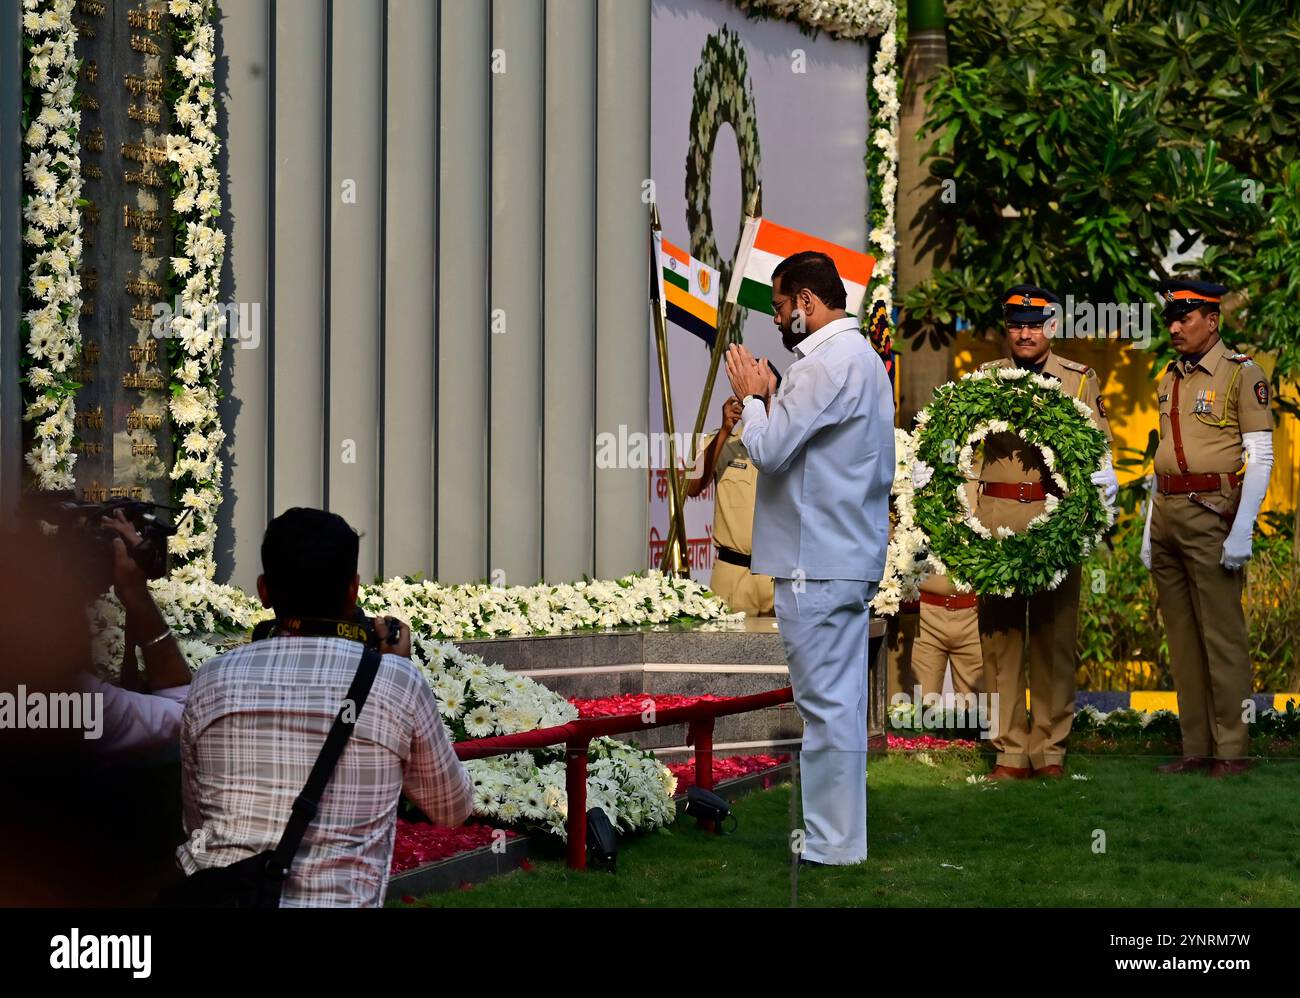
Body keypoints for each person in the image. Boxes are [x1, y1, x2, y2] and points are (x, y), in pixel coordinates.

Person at [176, 507, 474, 906]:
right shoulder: (395, 681)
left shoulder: (211, 679)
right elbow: (451, 807)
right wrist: (398, 668)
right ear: (353, 590)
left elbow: (196, 820)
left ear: (263, 591)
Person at [724, 250, 894, 867]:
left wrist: (753, 399)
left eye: (778, 305)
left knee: (825, 709)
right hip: (835, 556)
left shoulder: (832, 362)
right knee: (838, 708)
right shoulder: (851, 360)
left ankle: (830, 843)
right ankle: (841, 840)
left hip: (817, 561)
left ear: (807, 303)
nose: (775, 318)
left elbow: (769, 451)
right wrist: (773, 392)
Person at [972, 285, 1116, 780]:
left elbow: (1098, 456)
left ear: (1052, 327)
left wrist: (1086, 519)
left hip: (1055, 524)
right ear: (1006, 329)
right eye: (1016, 324)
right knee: (1000, 644)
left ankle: (1050, 749)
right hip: (996, 524)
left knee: (1055, 640)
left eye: (1035, 324)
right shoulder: (984, 381)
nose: (1026, 333)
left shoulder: (1078, 381)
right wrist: (966, 522)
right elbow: (967, 459)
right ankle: (1010, 752)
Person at [1142, 279, 1273, 778]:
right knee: (1183, 637)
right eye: (1171, 318)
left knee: (1221, 638)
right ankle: (1196, 746)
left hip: (1212, 514)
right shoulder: (1168, 378)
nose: (1174, 327)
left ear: (1212, 319)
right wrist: (1148, 529)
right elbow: (1163, 459)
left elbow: (1259, 457)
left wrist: (1244, 530)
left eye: (1186, 317)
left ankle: (1233, 751)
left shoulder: (1243, 375)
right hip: (1168, 513)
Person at [687, 375, 780, 617]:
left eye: (765, 398)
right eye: (753, 398)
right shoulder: (720, 442)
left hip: (777, 576)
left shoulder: (788, 445)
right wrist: (725, 430)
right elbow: (691, 487)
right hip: (731, 574)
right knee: (725, 654)